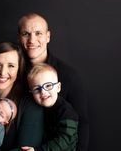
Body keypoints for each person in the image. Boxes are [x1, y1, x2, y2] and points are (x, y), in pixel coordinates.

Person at [17, 13, 89, 151]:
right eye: (26, 33)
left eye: (38, 33)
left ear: (48, 36)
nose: (32, 40)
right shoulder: (13, 71)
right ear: (19, 38)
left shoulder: (69, 75)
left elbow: (82, 123)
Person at [22, 63, 78, 151]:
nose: (43, 92)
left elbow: (63, 141)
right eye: (37, 89)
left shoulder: (67, 113)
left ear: (58, 87)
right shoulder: (36, 108)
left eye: (48, 85)